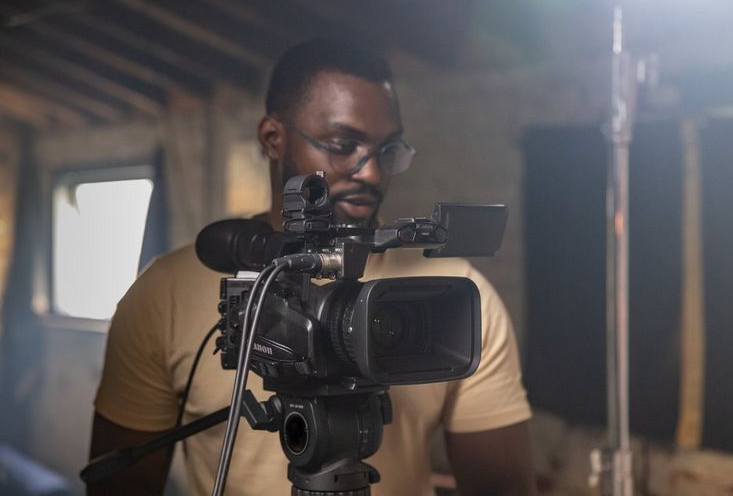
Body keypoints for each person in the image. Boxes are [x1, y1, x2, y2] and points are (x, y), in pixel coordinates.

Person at [89, 39, 535, 495]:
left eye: (387, 150)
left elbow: (502, 488)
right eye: (344, 145)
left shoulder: (454, 295)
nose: (372, 174)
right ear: (272, 139)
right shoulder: (166, 294)